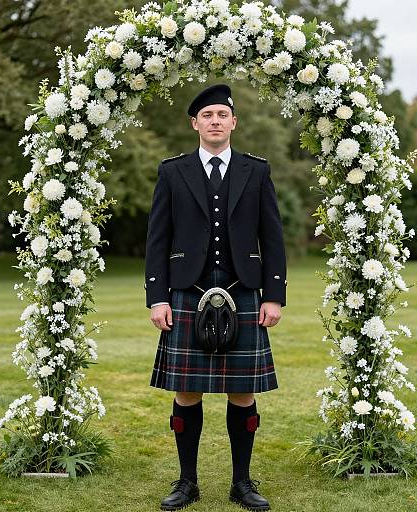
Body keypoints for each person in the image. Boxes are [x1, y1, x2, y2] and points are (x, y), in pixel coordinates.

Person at [144, 83, 287, 511]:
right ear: (195, 123)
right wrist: (158, 297)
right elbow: (157, 239)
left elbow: (272, 237)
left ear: (233, 122)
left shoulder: (255, 171)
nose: (215, 122)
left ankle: (241, 482)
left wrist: (273, 294)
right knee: (186, 391)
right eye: (207, 116)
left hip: (245, 292)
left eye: (222, 115)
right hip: (187, 292)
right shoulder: (173, 171)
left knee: (242, 391)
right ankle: (187, 482)